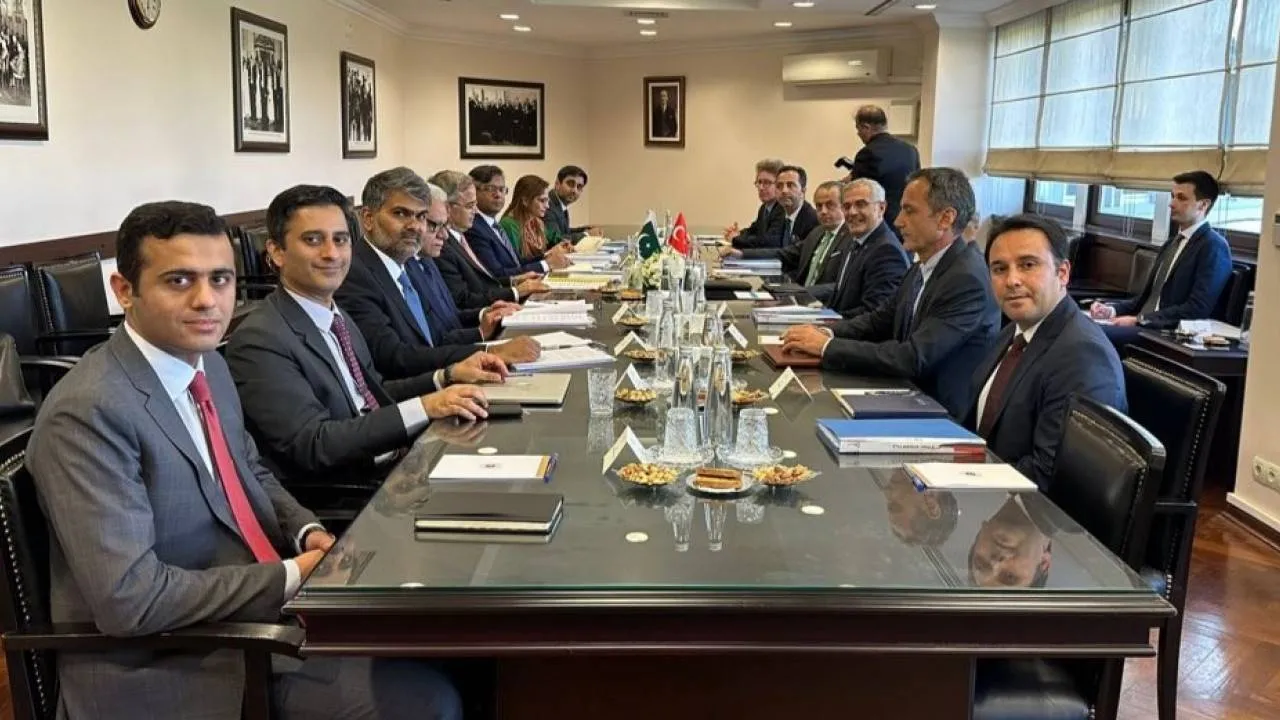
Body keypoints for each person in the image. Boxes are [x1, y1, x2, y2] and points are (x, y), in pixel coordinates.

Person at [25, 200, 462, 719]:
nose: (207, 300)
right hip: (178, 665)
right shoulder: (89, 412)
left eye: (221, 279)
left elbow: (248, 471)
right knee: (428, 702)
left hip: (252, 616)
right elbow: (130, 600)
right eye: (179, 281)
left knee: (451, 643)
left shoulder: (207, 362)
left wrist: (305, 531)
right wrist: (291, 575)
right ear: (125, 291)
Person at [226, 184, 497, 490]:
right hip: (355, 494)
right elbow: (314, 444)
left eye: (340, 240)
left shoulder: (336, 316)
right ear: (276, 252)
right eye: (313, 240)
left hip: (401, 466)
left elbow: (373, 392)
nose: (331, 254)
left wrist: (446, 377)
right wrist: (424, 407)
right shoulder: (259, 340)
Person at [780, 167, 1000, 418]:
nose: (898, 221)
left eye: (909, 211)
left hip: (937, 415)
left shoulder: (966, 279)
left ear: (945, 218)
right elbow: (879, 320)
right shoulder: (922, 266)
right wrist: (824, 332)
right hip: (904, 395)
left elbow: (913, 357)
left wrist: (827, 347)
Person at [964, 213, 1126, 490]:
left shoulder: (1082, 355)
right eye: (999, 269)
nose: (1012, 280)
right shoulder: (1014, 332)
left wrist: (964, 480)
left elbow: (1050, 474)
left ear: (1062, 273)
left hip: (1030, 510)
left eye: (1027, 265)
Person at [334, 166, 522, 380]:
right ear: (368, 218)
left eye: (421, 216)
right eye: (401, 213)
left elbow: (436, 336)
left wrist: (484, 329)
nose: (415, 226)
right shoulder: (354, 275)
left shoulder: (409, 261)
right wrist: (489, 351)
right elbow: (395, 358)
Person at [1089, 171, 1233, 346]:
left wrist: (1140, 320)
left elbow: (1197, 309)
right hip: (1143, 324)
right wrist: (1111, 310)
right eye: (1173, 196)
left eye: (1181, 198)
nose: (1172, 204)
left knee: (1092, 336)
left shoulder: (1213, 246)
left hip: (1167, 333)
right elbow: (1146, 300)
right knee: (1082, 325)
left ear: (1203, 205)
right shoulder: (1171, 244)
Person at [408, 182, 527, 346]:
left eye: (444, 225)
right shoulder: (420, 260)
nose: (444, 235)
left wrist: (486, 313)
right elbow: (433, 341)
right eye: (433, 225)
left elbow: (451, 316)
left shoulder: (426, 260)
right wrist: (482, 335)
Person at [429, 169, 548, 307]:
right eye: (470, 206)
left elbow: (483, 281)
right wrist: (516, 291)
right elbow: (464, 300)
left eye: (475, 204)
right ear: (447, 208)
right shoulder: (442, 245)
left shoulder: (460, 235)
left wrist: (514, 281)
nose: (475, 210)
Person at [824, 178, 910, 318]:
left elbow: (874, 314)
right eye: (847, 206)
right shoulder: (855, 241)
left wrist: (825, 325)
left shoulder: (887, 252)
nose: (852, 212)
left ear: (881, 208)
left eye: (860, 204)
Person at [465, 165, 571, 278]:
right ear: (474, 192)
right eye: (491, 189)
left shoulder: (493, 225)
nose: (498, 195)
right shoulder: (474, 228)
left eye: (502, 189)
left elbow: (517, 261)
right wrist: (546, 264)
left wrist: (548, 257)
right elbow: (497, 275)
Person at [844, 104, 921, 238]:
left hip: (880, 224)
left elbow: (858, 193)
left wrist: (847, 183)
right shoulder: (911, 150)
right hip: (907, 221)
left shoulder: (867, 153)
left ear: (866, 127)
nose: (858, 134)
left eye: (858, 129)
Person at [721, 165, 818, 256]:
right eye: (779, 186)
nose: (784, 190)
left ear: (803, 191)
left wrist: (742, 252)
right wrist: (739, 237)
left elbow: (786, 252)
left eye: (790, 185)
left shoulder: (811, 219)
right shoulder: (786, 214)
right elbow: (755, 230)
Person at [499, 174, 569, 263]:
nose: (547, 206)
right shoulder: (509, 225)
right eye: (542, 201)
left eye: (547, 201)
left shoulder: (537, 222)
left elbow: (554, 237)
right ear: (525, 201)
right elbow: (516, 262)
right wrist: (549, 254)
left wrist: (564, 244)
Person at [724, 158, 787, 249]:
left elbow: (769, 242)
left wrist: (736, 239)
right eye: (759, 182)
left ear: (779, 185)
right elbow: (753, 230)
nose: (761, 187)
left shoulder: (783, 208)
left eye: (767, 183)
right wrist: (738, 233)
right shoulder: (764, 208)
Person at [545, 165, 600, 243]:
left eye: (579, 186)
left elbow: (564, 231)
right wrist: (586, 234)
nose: (574, 190)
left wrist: (584, 229)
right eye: (570, 184)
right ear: (557, 184)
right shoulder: (548, 205)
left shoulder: (559, 203)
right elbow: (556, 239)